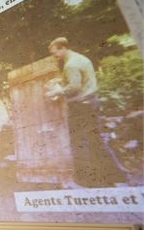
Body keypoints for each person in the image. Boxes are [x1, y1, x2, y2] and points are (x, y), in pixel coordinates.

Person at [45, 37, 126, 188]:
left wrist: (55, 92)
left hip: (81, 107)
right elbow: (81, 80)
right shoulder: (81, 58)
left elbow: (74, 87)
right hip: (92, 102)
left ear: (62, 47)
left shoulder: (70, 65)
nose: (55, 56)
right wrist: (59, 80)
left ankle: (88, 180)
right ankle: (115, 176)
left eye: (55, 53)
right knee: (95, 140)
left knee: (79, 142)